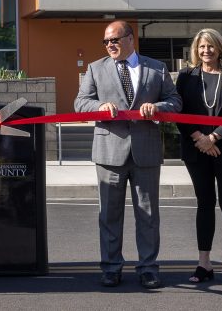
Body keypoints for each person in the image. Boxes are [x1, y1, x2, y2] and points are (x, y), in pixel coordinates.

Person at [74, 20, 182, 290]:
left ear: (130, 39)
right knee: (109, 214)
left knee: (147, 214)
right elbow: (80, 103)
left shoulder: (156, 68)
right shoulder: (95, 69)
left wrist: (157, 107)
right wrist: (100, 106)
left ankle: (148, 268)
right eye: (106, 42)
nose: (109, 45)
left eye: (114, 40)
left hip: (146, 151)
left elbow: (175, 101)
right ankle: (111, 268)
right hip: (109, 152)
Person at [174, 28, 222, 288]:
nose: (206, 51)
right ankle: (204, 262)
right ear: (196, 50)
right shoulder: (185, 77)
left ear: (220, 49)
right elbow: (178, 109)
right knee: (204, 203)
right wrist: (199, 139)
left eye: (211, 46)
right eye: (201, 47)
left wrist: (214, 138)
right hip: (196, 150)